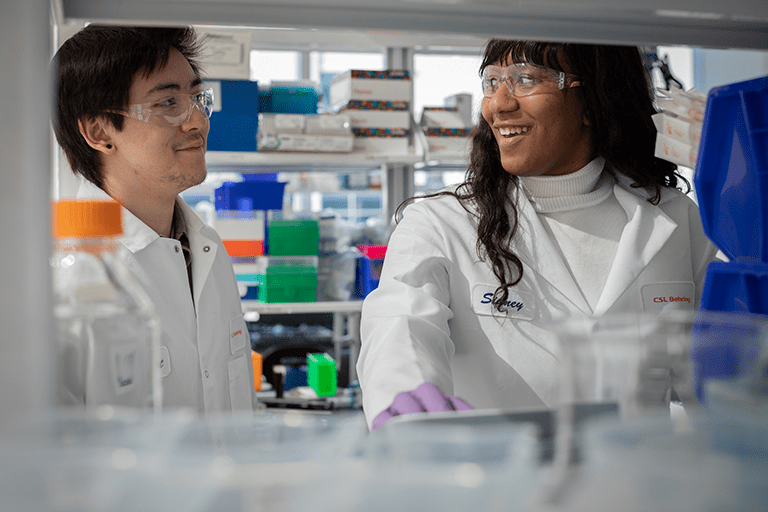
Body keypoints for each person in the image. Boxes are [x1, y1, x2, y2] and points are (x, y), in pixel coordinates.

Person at [357, 39, 720, 430]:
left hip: (634, 483)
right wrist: (407, 396)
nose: (497, 104)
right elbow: (399, 328)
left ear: (595, 98)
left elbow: (719, 377)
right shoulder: (441, 223)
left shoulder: (676, 220)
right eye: (492, 81)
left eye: (525, 79)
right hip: (501, 481)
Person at [52, 25, 255, 415]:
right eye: (168, 104)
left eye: (197, 97)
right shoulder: (68, 277)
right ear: (99, 132)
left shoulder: (207, 248)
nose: (197, 121)